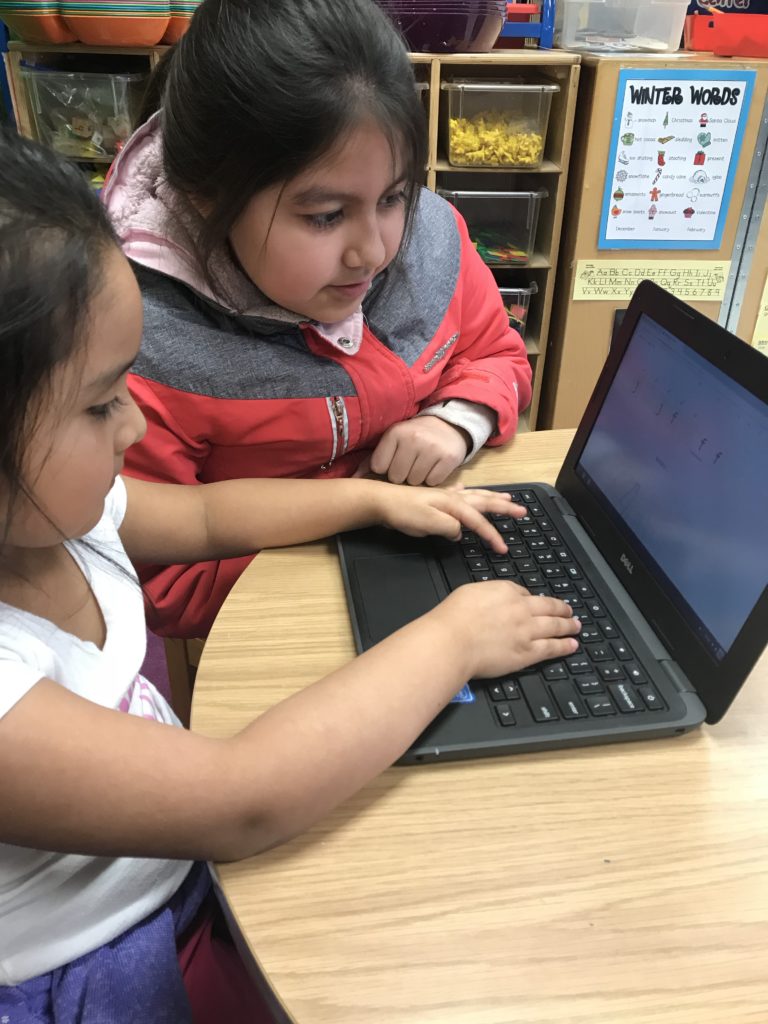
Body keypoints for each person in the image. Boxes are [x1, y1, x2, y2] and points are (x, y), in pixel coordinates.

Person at [0, 130, 578, 1023]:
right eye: (100, 401)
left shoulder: (49, 515)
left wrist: (368, 503)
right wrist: (454, 637)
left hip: (173, 873)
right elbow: (243, 798)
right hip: (101, 973)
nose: (130, 430)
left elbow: (202, 516)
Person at [102, 0, 534, 638]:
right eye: (325, 216)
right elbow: (163, 581)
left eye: (392, 197)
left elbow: (498, 355)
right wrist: (362, 528)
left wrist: (456, 422)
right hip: (279, 620)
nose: (375, 251)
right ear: (206, 199)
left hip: (421, 562)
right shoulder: (141, 340)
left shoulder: (430, 240)